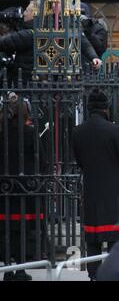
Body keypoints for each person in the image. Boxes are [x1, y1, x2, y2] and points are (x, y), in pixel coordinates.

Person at [72, 89, 119, 281]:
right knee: (115, 235)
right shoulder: (114, 130)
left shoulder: (78, 132)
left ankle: (94, 274)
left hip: (91, 187)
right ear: (106, 108)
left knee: (93, 236)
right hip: (114, 188)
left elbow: (79, 160)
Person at [0, 94, 47, 281]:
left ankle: (8, 269)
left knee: (6, 230)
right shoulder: (30, 132)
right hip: (25, 187)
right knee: (22, 230)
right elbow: (41, 160)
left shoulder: (2, 132)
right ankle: (20, 269)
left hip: (4, 188)